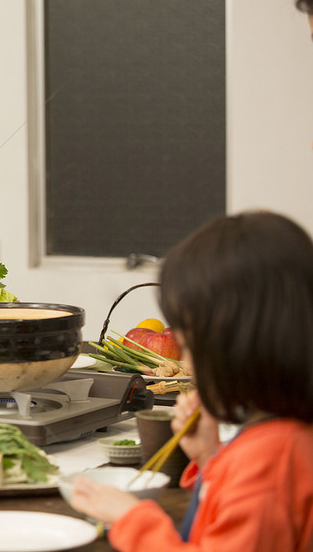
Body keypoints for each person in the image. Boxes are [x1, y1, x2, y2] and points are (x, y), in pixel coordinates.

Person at [70, 211, 313, 550]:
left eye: (187, 346)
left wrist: (132, 519)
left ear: (238, 346)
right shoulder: (280, 440)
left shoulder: (273, 459)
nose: (186, 363)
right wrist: (212, 457)